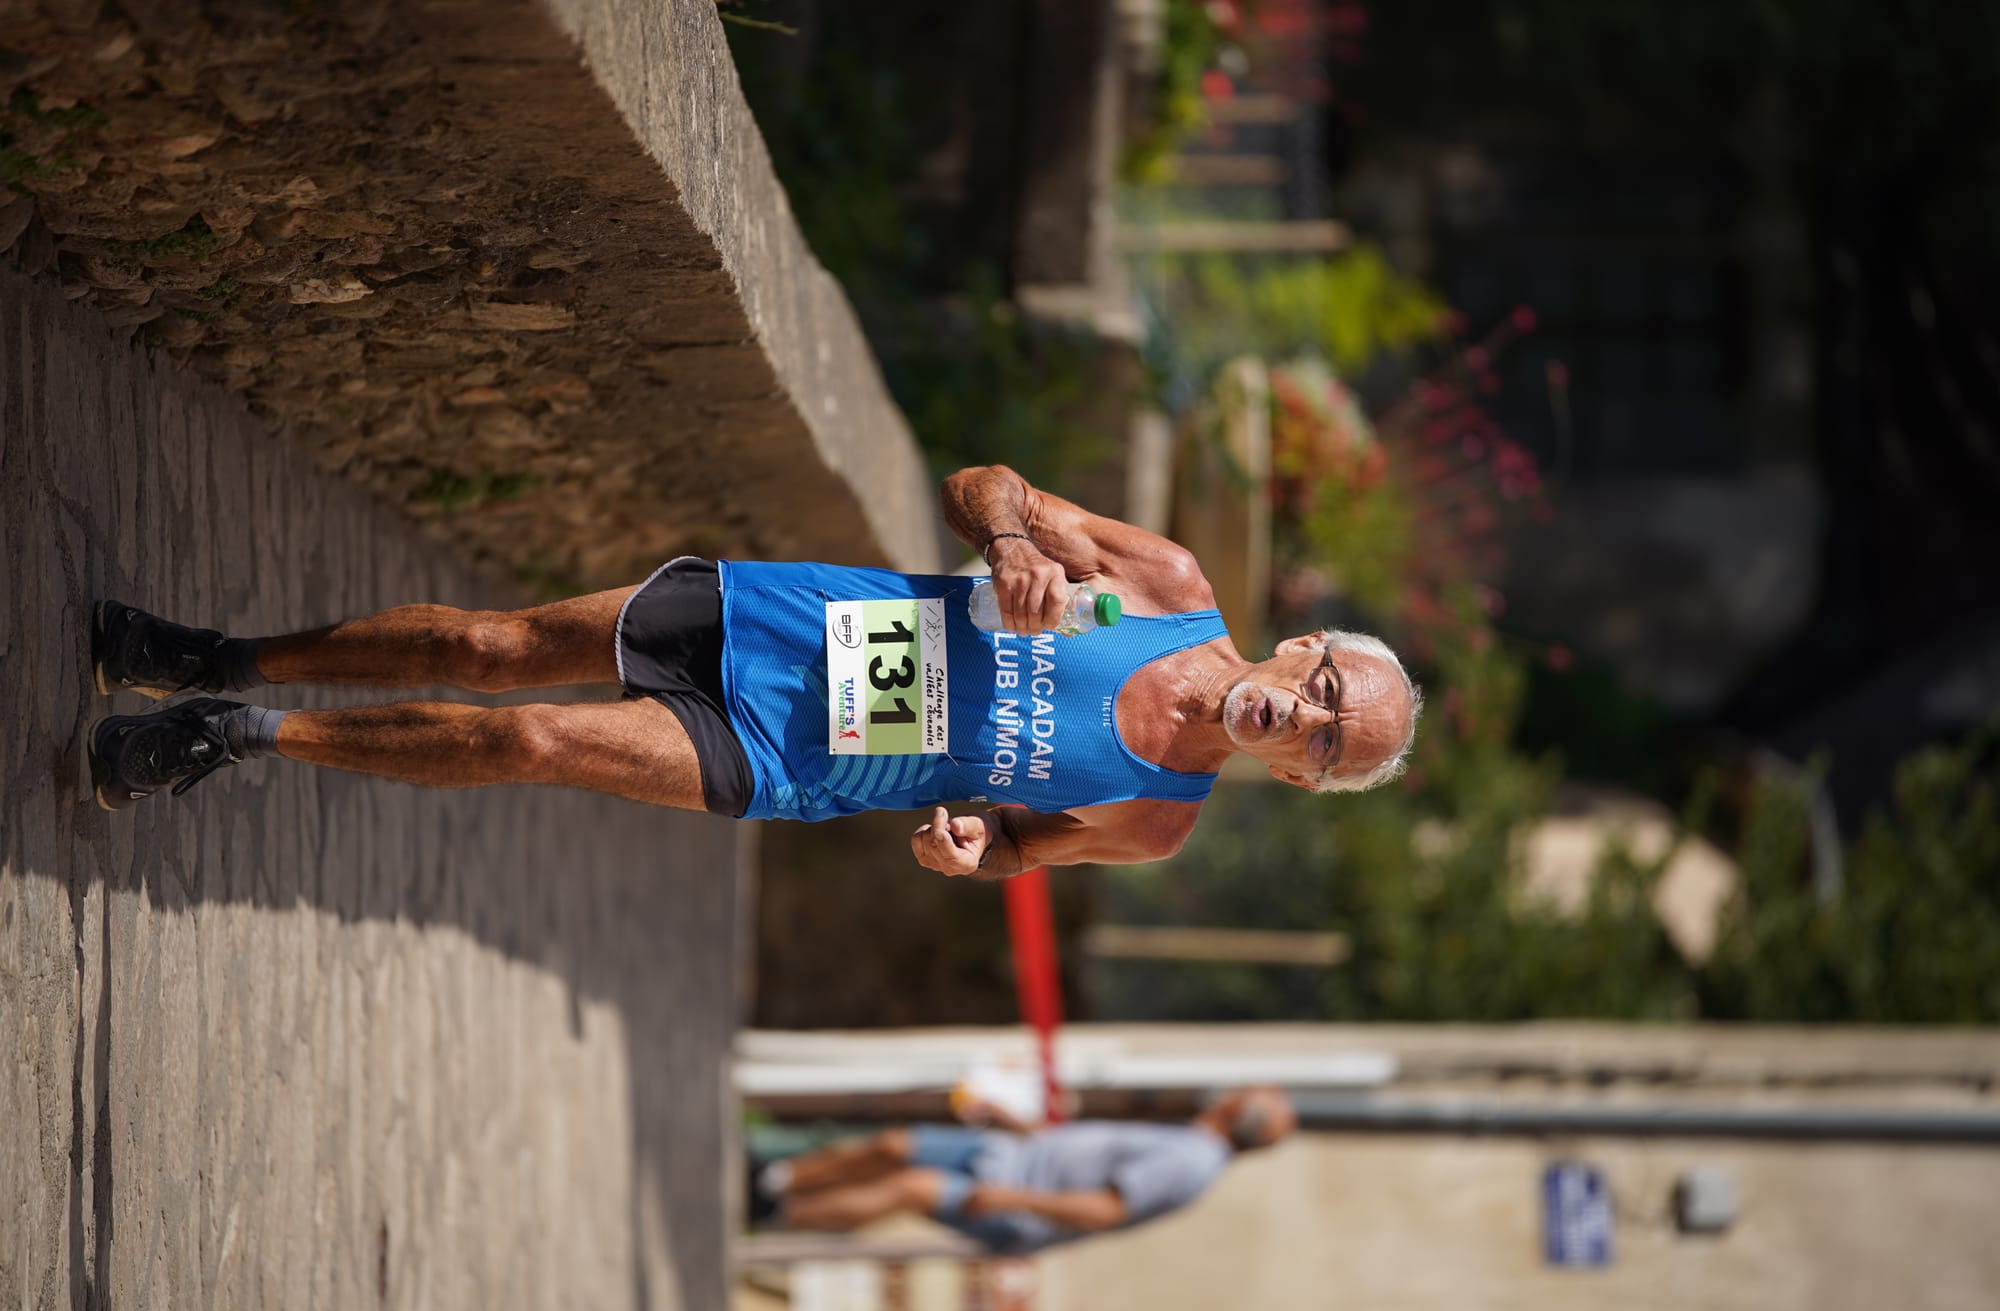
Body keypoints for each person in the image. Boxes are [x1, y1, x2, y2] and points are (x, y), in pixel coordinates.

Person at [87, 465, 1420, 875]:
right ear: (1306, 648)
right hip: (786, 623)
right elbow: (982, 485)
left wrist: (972, 851)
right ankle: (219, 654)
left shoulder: (1155, 821)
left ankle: (236, 732)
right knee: (489, 649)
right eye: (1324, 693)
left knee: (536, 742)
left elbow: (1019, 845)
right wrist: (1014, 542)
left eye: (1324, 744)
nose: (1301, 719)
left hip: (803, 759)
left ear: (1305, 781)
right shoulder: (1167, 584)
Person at [748, 1086, 1297, 1255]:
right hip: (1013, 1155)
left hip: (1015, 1198)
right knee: (894, 1146)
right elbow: (1081, 1154)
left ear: (1238, 1110)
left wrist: (1013, 1200)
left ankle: (772, 1210)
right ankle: (775, 1179)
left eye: (1247, 1090)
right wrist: (1016, 1122)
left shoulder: (1192, 1161)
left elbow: (1108, 1209)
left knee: (908, 1188)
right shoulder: (1188, 1138)